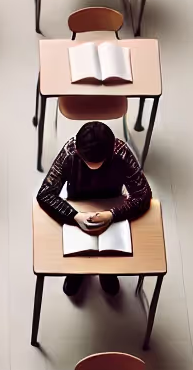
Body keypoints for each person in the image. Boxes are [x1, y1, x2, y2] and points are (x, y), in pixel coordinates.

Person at [37, 121, 152, 296]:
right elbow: (45, 194)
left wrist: (112, 214)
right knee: (79, 247)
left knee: (111, 248)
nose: (93, 164)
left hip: (111, 204)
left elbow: (143, 194)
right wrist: (74, 215)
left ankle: (107, 272)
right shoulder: (70, 152)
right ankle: (77, 272)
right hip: (78, 205)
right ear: (78, 151)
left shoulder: (121, 152)